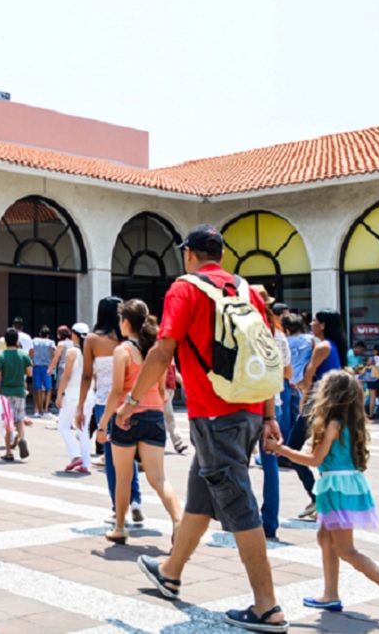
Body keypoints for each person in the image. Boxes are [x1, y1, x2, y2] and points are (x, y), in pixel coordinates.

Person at [124, 224, 287, 633]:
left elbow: (163, 350)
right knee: (201, 491)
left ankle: (267, 606)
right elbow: (266, 354)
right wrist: (268, 415)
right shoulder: (245, 289)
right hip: (249, 407)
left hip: (215, 413)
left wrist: (130, 402)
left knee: (237, 501)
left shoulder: (185, 288)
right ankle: (171, 571)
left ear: (188, 254)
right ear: (222, 255)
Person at [264, 370, 379, 625]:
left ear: (330, 395)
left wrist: (281, 450)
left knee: (346, 550)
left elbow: (314, 460)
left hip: (336, 486)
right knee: (324, 538)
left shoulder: (333, 423)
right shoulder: (347, 421)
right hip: (342, 484)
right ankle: (330, 594)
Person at [99, 300, 183, 545]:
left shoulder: (122, 351)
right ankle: (178, 521)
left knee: (123, 476)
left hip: (127, 416)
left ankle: (120, 527)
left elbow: (116, 393)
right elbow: (161, 390)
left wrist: (103, 424)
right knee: (158, 478)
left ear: (125, 322)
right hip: (155, 415)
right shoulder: (154, 349)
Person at [75, 296, 144, 525]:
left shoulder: (93, 340)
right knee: (128, 452)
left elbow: (86, 375)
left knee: (111, 457)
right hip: (131, 402)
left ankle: (118, 508)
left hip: (105, 401)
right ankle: (135, 499)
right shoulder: (128, 339)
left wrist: (80, 404)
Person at [290, 309, 348, 520]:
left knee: (292, 449)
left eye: (314, 321)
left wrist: (294, 384)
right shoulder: (333, 347)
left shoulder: (321, 347)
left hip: (318, 403)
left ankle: (317, 497)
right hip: (332, 403)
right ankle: (327, 500)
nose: (311, 324)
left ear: (323, 325)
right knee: (323, 452)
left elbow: (307, 380)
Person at [253, 285, 292, 541]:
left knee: (234, 463)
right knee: (270, 464)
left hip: (246, 403)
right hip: (273, 401)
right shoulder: (278, 334)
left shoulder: (246, 330)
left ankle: (237, 516)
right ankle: (270, 522)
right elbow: (288, 373)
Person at [56, 323, 93, 473]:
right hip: (89, 394)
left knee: (63, 425)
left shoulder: (72, 352)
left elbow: (66, 375)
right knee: (83, 428)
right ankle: (86, 463)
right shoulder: (92, 352)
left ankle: (75, 455)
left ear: (74, 335)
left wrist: (59, 394)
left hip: (72, 394)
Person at [0, 328, 32, 461]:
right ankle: (22, 438)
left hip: (6, 391)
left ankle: (8, 451)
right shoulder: (23, 355)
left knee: (8, 422)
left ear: (5, 341)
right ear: (17, 341)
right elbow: (29, 373)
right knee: (20, 420)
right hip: (20, 390)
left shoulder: (1, 356)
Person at [283, 313, 315, 443]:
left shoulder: (283, 340)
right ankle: (294, 446)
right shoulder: (310, 339)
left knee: (284, 419)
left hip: (287, 381)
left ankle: (284, 448)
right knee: (300, 417)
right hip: (304, 382)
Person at [162, 363, 187, 455]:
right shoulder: (160, 355)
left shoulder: (170, 356)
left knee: (165, 417)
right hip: (162, 389)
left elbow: (174, 374)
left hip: (170, 389)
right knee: (169, 416)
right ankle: (178, 443)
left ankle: (158, 443)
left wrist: (184, 384)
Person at [30, 326, 55, 417]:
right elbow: (53, 353)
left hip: (36, 366)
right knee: (48, 388)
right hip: (46, 367)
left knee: (37, 388)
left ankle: (37, 409)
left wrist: (31, 361)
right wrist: (52, 364)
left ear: (40, 334)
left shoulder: (34, 341)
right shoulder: (51, 343)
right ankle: (45, 409)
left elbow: (31, 352)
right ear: (48, 335)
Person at [362, 345, 379, 422]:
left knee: (372, 398)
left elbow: (367, 366)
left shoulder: (373, 358)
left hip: (374, 379)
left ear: (376, 351)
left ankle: (371, 415)